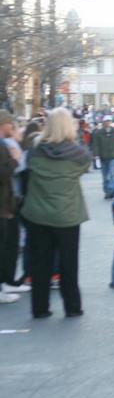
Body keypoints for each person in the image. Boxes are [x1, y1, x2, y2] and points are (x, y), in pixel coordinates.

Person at [20, 108, 92, 319]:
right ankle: (72, 306)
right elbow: (85, 163)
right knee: (69, 263)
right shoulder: (78, 156)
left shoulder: (34, 151)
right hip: (67, 215)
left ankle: (40, 307)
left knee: (40, 262)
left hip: (37, 214)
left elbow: (26, 171)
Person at [0, 111, 24, 303]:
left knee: (9, 244)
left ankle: (6, 282)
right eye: (10, 124)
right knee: (5, 245)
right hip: (3, 204)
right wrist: (15, 158)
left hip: (6, 203)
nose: (13, 127)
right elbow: (3, 172)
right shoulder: (2, 145)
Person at [91, 115, 114, 199]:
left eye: (109, 121)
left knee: (112, 174)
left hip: (113, 157)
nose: (108, 122)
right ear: (103, 122)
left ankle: (111, 190)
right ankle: (106, 191)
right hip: (103, 157)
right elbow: (95, 145)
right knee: (105, 177)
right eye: (106, 121)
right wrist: (96, 155)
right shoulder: (98, 133)